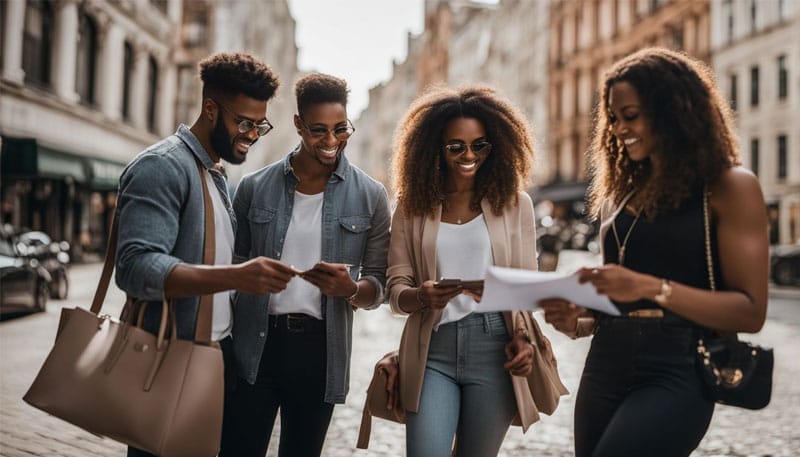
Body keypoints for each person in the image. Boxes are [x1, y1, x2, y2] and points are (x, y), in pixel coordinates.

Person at [540, 47, 769, 457]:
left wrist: (650, 287)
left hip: (678, 369)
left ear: (674, 112)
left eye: (631, 116)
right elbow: (618, 302)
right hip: (604, 365)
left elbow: (750, 312)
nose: (618, 128)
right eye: (612, 118)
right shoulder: (619, 193)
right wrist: (578, 318)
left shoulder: (730, 187)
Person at [115, 53, 294, 457]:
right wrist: (235, 276)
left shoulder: (214, 172)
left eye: (260, 125)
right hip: (168, 360)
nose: (252, 134)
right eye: (244, 123)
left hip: (213, 360)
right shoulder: (163, 167)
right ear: (210, 108)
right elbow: (136, 267)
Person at [387, 84, 568, 457]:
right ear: (435, 147)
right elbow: (396, 287)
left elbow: (525, 288)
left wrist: (521, 337)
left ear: (496, 145)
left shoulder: (516, 204)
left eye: (480, 145)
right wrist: (421, 295)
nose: (469, 155)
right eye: (456, 146)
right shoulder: (412, 205)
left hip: (495, 346)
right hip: (431, 347)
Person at [220, 73, 391, 457]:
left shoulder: (372, 196)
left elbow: (379, 287)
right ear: (298, 124)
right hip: (255, 346)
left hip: (320, 350)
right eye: (318, 130)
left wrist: (348, 289)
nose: (331, 142)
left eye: (340, 129)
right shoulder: (253, 187)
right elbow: (231, 269)